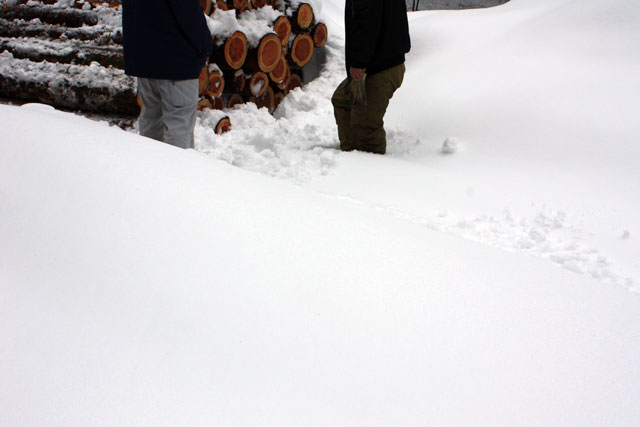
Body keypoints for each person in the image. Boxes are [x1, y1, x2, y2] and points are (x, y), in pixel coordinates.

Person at [122, 0, 213, 149]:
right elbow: (188, 13)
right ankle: (176, 170)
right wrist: (205, 46)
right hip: (178, 62)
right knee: (179, 124)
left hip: (144, 58)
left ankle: (148, 166)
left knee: (151, 119)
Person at [332, 0, 411, 155]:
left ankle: (371, 170)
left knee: (366, 125)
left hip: (380, 67)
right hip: (379, 62)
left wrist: (358, 62)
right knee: (343, 101)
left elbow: (367, 23)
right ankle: (351, 154)